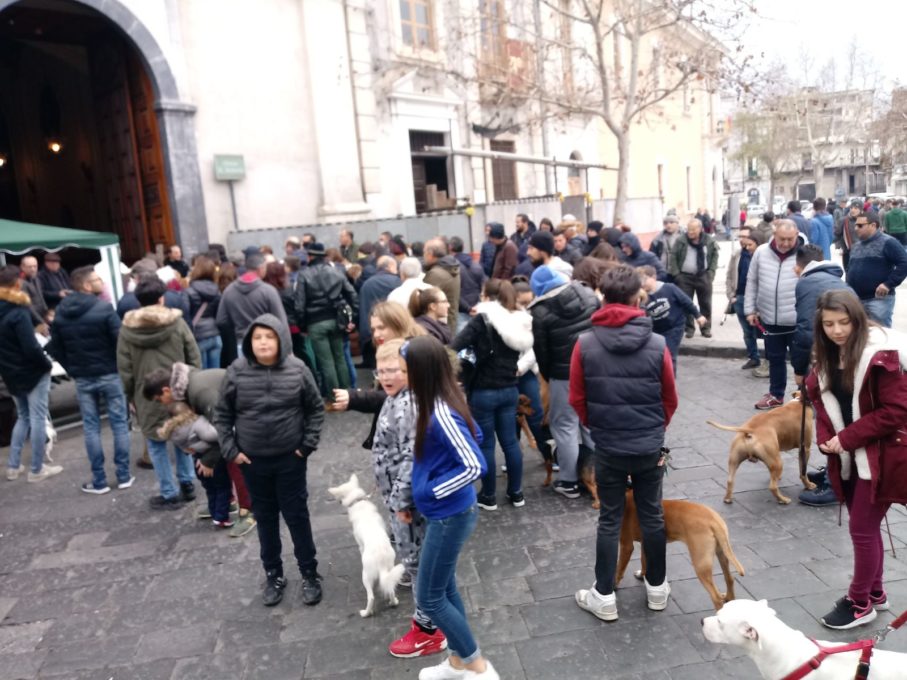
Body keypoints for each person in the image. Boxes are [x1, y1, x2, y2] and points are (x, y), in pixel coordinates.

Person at [571, 264, 678, 622]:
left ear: (602, 296)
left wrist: (599, 427)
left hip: (609, 446)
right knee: (652, 514)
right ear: (637, 297)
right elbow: (670, 397)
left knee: (609, 518)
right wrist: (653, 429)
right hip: (649, 445)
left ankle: (603, 595)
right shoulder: (658, 343)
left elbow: (577, 399)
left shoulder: (584, 344)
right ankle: (657, 588)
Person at [805, 290, 907, 630]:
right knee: (866, 527)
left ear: (857, 319)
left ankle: (859, 601)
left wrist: (845, 439)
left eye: (844, 322)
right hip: (849, 456)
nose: (837, 330)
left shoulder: (881, 355)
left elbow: (896, 411)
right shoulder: (826, 356)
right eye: (829, 324)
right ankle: (876, 593)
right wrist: (825, 439)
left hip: (883, 456)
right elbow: (822, 403)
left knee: (861, 528)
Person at [402, 335, 498, 680]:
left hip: (450, 515)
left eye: (406, 368)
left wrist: (431, 491)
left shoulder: (440, 411)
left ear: (421, 372)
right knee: (443, 589)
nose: (403, 375)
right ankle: (459, 661)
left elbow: (475, 465)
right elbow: (476, 437)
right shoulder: (440, 399)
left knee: (429, 598)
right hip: (446, 514)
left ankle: (476, 665)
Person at [215, 314, 325, 607]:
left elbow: (315, 408)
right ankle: (273, 574)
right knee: (265, 518)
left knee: (297, 516)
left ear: (280, 339)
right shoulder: (236, 372)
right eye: (257, 337)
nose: (263, 342)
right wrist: (231, 451)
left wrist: (306, 445)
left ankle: (309, 573)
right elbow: (222, 414)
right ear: (249, 342)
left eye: (269, 336)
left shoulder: (298, 369)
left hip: (291, 458)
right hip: (252, 461)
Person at [365, 338, 448, 657]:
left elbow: (413, 458)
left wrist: (401, 502)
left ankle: (429, 628)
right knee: (418, 562)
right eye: (381, 370)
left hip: (409, 507)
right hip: (399, 499)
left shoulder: (409, 405)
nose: (385, 376)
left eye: (394, 370)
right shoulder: (395, 397)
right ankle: (432, 617)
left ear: (411, 371)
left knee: (417, 565)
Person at [144, 362, 256, 537]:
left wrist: (208, 460)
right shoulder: (186, 386)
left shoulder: (199, 392)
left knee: (235, 460)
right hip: (236, 412)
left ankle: (248, 511)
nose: (161, 404)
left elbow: (223, 431)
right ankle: (227, 502)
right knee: (226, 459)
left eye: (159, 400)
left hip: (249, 412)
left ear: (166, 391)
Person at [117, 276, 201, 509]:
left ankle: (168, 492)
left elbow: (125, 368)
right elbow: (193, 355)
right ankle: (187, 483)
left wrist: (130, 396)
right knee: (182, 435)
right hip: (179, 389)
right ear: (161, 298)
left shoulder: (126, 330)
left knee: (155, 443)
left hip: (147, 394)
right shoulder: (177, 323)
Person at [48, 265, 132, 493]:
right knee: (119, 424)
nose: (100, 282)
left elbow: (56, 347)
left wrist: (72, 368)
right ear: (85, 285)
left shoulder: (61, 313)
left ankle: (99, 480)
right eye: (96, 279)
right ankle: (123, 476)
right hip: (109, 374)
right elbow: (121, 342)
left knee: (91, 427)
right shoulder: (104, 308)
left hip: (83, 377)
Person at [452, 279, 533, 510]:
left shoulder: (482, 320)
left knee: (486, 444)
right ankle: (516, 493)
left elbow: (456, 345)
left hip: (483, 392)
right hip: (510, 389)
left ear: (488, 296)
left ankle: (488, 496)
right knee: (510, 442)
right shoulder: (520, 321)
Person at [528, 265, 599, 498]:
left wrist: (548, 377)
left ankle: (568, 481)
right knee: (590, 422)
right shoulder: (588, 294)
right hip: (593, 367)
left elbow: (542, 352)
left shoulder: (539, 312)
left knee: (564, 426)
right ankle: (601, 472)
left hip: (564, 375)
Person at [0, 265, 59, 482]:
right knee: (36, 417)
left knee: (24, 416)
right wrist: (45, 364)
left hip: (9, 371)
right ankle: (37, 468)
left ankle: (14, 466)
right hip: (31, 371)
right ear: (17, 283)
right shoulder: (18, 310)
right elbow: (30, 346)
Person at [744, 220, 803, 410]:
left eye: (790, 239)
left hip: (798, 320)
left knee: (801, 361)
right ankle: (776, 394)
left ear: (797, 235)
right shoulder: (761, 252)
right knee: (775, 359)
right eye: (782, 239)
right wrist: (750, 310)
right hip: (769, 318)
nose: (785, 243)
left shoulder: (806, 254)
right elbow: (752, 281)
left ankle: (807, 397)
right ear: (774, 234)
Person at [296, 242, 359, 395]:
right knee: (340, 358)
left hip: (315, 323)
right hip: (336, 320)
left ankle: (334, 398)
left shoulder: (304, 275)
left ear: (310, 257)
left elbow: (300, 304)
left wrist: (302, 325)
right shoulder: (336, 271)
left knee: (326, 362)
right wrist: (352, 319)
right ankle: (348, 394)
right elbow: (352, 294)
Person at [845, 212, 907, 328]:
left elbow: (904, 263)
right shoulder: (857, 246)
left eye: (860, 225)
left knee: (880, 334)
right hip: (857, 300)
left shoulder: (888, 242)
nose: (856, 228)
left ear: (873, 225)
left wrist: (888, 284)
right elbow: (850, 269)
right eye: (855, 225)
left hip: (878, 300)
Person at [216, 253, 287, 354]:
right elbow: (281, 321)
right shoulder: (268, 291)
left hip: (242, 343)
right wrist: (287, 349)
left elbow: (221, 321)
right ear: (261, 268)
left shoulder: (229, 290)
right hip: (266, 343)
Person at [639, 265, 705, 373]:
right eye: (640, 280)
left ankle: (670, 381)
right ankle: (659, 376)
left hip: (674, 327)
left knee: (669, 354)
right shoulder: (642, 296)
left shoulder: (669, 288)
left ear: (654, 277)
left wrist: (698, 315)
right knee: (656, 354)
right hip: (655, 329)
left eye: (644, 279)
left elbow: (686, 302)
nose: (642, 283)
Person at [673, 218, 718, 338]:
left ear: (700, 229)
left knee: (706, 303)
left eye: (693, 229)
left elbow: (714, 256)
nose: (690, 232)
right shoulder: (681, 240)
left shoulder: (709, 240)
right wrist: (677, 275)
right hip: (685, 277)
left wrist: (711, 273)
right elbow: (673, 256)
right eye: (688, 229)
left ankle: (706, 328)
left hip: (703, 276)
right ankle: (689, 328)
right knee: (687, 303)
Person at [725, 227, 763, 370]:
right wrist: (731, 296)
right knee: (747, 333)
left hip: (758, 300)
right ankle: (753, 357)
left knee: (763, 332)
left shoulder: (761, 257)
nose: (743, 240)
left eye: (745, 237)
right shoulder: (737, 254)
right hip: (740, 298)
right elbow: (729, 275)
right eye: (740, 236)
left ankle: (768, 361)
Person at [357, 255, 400, 369]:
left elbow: (362, 307)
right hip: (393, 329)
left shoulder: (367, 284)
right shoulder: (397, 282)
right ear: (390, 266)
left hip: (371, 330)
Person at [186, 255, 223, 370]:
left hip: (198, 336)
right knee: (215, 374)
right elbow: (220, 314)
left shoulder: (189, 291)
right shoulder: (217, 291)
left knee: (201, 376)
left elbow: (186, 316)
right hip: (215, 334)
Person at [423, 239, 461, 332]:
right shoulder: (451, 268)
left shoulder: (436, 274)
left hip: (439, 326)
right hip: (449, 321)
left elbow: (424, 300)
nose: (423, 256)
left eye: (424, 252)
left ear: (430, 253)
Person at [450, 236, 485, 332]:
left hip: (461, 310)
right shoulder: (476, 265)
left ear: (450, 248)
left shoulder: (452, 269)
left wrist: (468, 308)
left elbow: (454, 293)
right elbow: (484, 286)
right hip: (477, 307)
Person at [649, 215, 682, 281]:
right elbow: (652, 256)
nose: (668, 225)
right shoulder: (658, 239)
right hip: (664, 272)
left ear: (677, 223)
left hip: (680, 273)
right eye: (666, 223)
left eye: (671, 222)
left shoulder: (685, 237)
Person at [18, 255, 48, 329]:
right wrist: (41, 321)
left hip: (42, 315)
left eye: (35, 266)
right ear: (22, 267)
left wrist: (46, 311)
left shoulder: (36, 278)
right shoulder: (20, 283)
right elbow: (27, 306)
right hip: (31, 320)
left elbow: (41, 296)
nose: (33, 269)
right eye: (30, 267)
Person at [834, 201, 863, 272]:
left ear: (861, 210)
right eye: (851, 208)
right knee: (849, 273)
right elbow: (836, 235)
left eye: (856, 208)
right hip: (848, 253)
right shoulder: (843, 220)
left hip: (863, 252)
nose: (853, 210)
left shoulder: (865, 220)